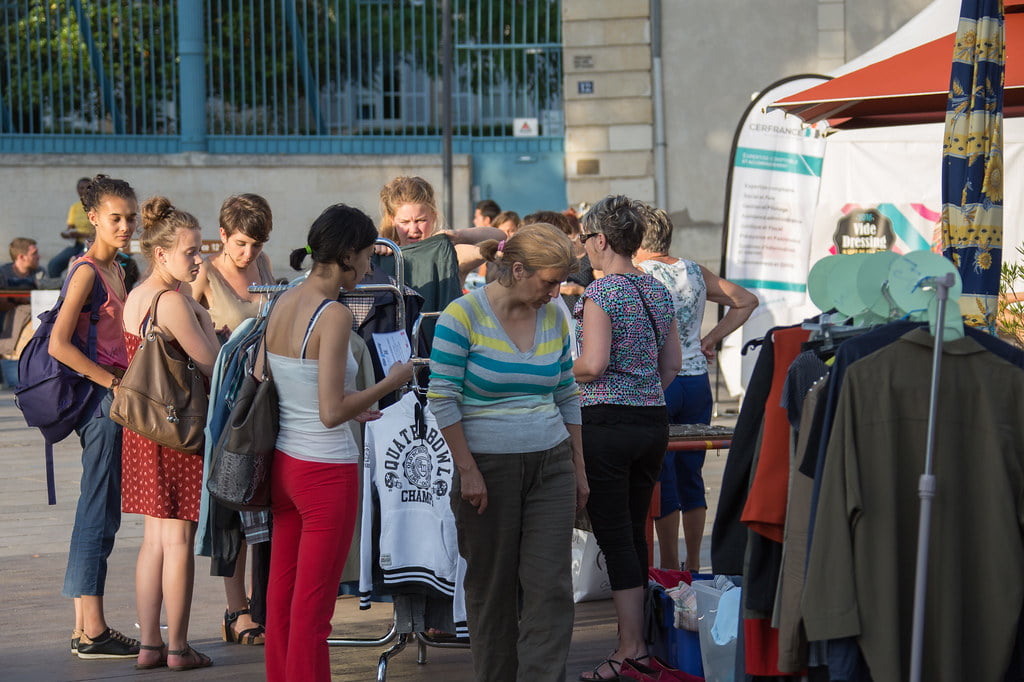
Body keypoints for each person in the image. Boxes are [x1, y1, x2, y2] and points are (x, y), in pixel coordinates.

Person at [428, 223, 588, 682]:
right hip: (487, 471)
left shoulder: (555, 316)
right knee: (492, 590)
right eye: (550, 281)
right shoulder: (463, 316)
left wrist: (578, 468)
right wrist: (469, 471)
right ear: (517, 270)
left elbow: (566, 394)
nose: (557, 291)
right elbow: (442, 396)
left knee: (551, 589)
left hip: (551, 464)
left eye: (561, 282)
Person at [263, 204, 413, 682]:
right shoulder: (333, 316)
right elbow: (331, 412)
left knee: (282, 601)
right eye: (369, 256)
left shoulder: (283, 300)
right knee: (313, 611)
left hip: (284, 464)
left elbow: (302, 390)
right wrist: (392, 381)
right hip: (325, 471)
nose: (371, 266)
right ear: (348, 255)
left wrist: (354, 402)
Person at [572, 195, 682, 680]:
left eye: (584, 240)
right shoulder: (659, 290)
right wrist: (643, 392)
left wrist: (552, 370)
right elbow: (673, 364)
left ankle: (629, 648)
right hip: (651, 420)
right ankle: (638, 643)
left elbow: (592, 365)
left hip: (607, 422)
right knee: (635, 531)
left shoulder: (600, 295)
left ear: (600, 240)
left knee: (615, 536)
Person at [121, 196, 221, 671]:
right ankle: (179, 646)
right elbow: (212, 363)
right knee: (178, 539)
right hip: (176, 427)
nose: (198, 259)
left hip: (142, 428)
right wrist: (205, 321)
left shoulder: (137, 296)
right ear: (161, 254)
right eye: (190, 252)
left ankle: (149, 647)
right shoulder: (173, 302)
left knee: (153, 540)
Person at [47, 174, 141, 660]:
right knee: (98, 512)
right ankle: (93, 630)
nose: (125, 226)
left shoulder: (118, 269)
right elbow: (58, 344)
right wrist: (112, 384)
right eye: (115, 218)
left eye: (130, 217)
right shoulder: (87, 270)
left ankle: (86, 626)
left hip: (110, 400)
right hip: (100, 404)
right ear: (94, 219)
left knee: (98, 509)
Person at [635, 206, 758, 573]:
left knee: (662, 473)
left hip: (663, 379)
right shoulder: (691, 270)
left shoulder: (639, 273)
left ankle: (670, 565)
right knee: (692, 473)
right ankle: (691, 562)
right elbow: (746, 300)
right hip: (696, 381)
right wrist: (710, 339)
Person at [188, 193, 277, 646]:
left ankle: (259, 601)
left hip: (260, 399)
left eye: (256, 246)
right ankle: (235, 608)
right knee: (230, 507)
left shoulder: (262, 267)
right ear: (221, 236)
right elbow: (181, 328)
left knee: (259, 503)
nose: (248, 254)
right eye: (240, 244)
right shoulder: (202, 272)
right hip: (224, 404)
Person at [377, 176, 505, 309]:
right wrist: (374, 249)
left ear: (434, 216)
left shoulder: (447, 254)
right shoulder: (383, 254)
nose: (413, 229)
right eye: (404, 222)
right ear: (392, 220)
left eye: (421, 220)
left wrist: (459, 235)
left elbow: (500, 237)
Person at [0, 238, 59, 386]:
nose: (39, 256)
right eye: (34, 253)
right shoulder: (3, 273)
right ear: (21, 257)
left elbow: (47, 296)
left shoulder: (40, 272)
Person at [48, 177, 94, 279]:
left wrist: (81, 234)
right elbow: (70, 228)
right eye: (81, 188)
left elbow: (100, 232)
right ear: (77, 190)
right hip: (77, 245)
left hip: (92, 244)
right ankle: (59, 290)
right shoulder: (75, 207)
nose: (84, 191)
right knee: (54, 265)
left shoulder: (97, 207)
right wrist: (65, 234)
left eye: (87, 188)